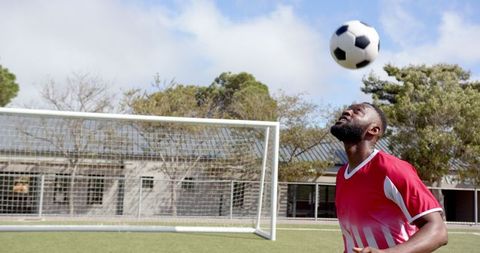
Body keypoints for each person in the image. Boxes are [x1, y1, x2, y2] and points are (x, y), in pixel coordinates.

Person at [330, 102, 448, 253]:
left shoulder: (392, 169)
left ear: (373, 130)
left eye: (357, 111)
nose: (347, 111)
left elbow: (438, 231)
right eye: (348, 109)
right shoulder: (342, 174)